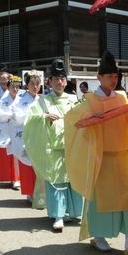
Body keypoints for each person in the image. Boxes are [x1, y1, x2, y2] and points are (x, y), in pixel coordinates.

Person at [65, 50, 128, 254]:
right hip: (100, 157)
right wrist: (91, 117)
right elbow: (73, 120)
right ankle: (99, 236)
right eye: (109, 76)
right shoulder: (89, 100)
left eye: (115, 76)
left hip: (122, 154)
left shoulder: (122, 97)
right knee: (101, 200)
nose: (113, 79)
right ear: (98, 77)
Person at [24, 59, 83, 231]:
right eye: (55, 79)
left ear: (66, 81)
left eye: (62, 78)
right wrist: (44, 119)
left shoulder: (73, 99)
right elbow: (30, 122)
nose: (59, 82)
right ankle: (58, 215)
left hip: (72, 147)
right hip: (53, 148)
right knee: (56, 181)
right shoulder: (42, 102)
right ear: (49, 81)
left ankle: (72, 212)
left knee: (73, 180)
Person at [9, 73, 41, 200]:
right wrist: (37, 118)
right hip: (27, 137)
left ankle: (40, 193)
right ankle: (30, 192)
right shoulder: (21, 101)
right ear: (27, 85)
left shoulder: (42, 99)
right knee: (28, 166)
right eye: (32, 84)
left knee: (40, 167)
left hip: (40, 137)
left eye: (37, 84)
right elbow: (18, 118)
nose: (35, 86)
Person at [0, 75, 23, 188]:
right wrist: (14, 115)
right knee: (10, 153)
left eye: (17, 87)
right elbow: (1, 115)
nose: (15, 89)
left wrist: (17, 116)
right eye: (12, 87)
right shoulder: (2, 101)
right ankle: (13, 178)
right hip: (7, 130)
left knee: (19, 153)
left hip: (19, 129)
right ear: (8, 87)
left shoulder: (22, 100)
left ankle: (17, 178)